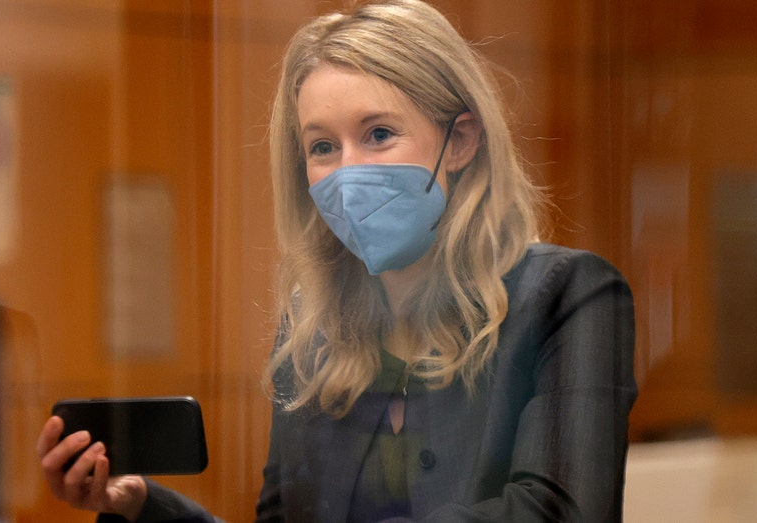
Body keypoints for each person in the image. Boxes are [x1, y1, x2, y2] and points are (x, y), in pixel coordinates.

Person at [36, 0, 637, 521]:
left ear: (460, 141)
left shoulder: (569, 296)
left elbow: (560, 512)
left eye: (378, 134)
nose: (348, 171)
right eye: (322, 146)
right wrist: (139, 503)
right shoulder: (314, 331)